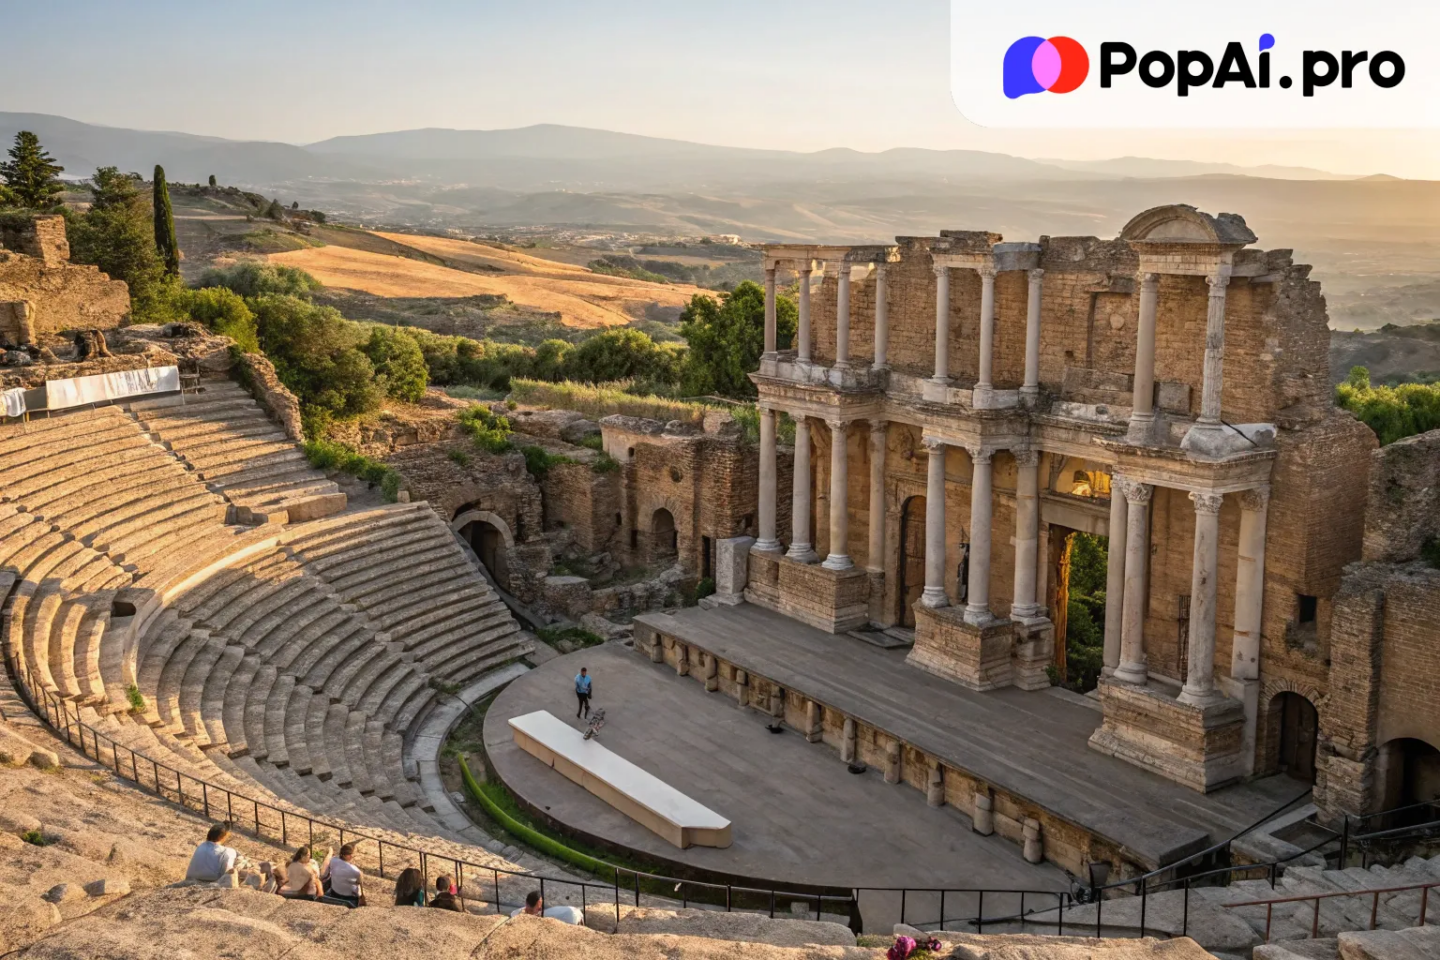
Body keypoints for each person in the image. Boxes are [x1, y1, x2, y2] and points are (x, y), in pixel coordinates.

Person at [321, 843, 363, 907]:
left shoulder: (333, 860)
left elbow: (324, 873)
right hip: (350, 898)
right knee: (358, 887)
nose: (354, 855)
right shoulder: (356, 871)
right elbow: (358, 882)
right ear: (348, 856)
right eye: (353, 853)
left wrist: (330, 853)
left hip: (334, 894)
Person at [511, 890, 584, 925]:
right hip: (575, 914)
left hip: (572, 916)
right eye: (539, 907)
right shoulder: (518, 913)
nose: (540, 909)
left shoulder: (542, 914)